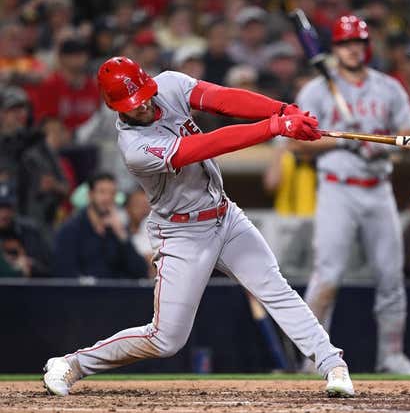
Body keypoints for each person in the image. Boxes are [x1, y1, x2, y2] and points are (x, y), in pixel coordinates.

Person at [43, 56, 354, 398]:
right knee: (166, 340)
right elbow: (204, 146)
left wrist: (282, 109)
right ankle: (72, 363)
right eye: (133, 103)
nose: (144, 104)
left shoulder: (170, 84)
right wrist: (275, 127)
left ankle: (332, 364)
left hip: (224, 214)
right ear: (116, 106)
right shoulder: (134, 147)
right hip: (180, 233)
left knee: (274, 288)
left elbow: (223, 99)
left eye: (144, 94)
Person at [293, 15, 410, 374]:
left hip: (379, 188)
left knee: (391, 276)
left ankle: (392, 356)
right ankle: (312, 356)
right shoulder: (316, 90)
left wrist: (383, 146)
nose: (353, 49)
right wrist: (342, 140)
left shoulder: (388, 87)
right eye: (346, 43)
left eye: (358, 42)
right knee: (327, 277)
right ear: (335, 49)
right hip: (337, 188)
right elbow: (295, 145)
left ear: (367, 46)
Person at [52, 172, 148, 279]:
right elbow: (64, 272)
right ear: (90, 195)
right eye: (102, 192)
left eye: (112, 193)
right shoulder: (71, 229)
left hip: (115, 293)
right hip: (83, 293)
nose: (107, 198)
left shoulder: (118, 229)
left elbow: (140, 271)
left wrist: (122, 236)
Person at [0, 177, 51, 277]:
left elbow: (49, 268)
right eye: (0, 208)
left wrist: (30, 266)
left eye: (7, 207)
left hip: (28, 291)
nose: (3, 214)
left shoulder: (29, 231)